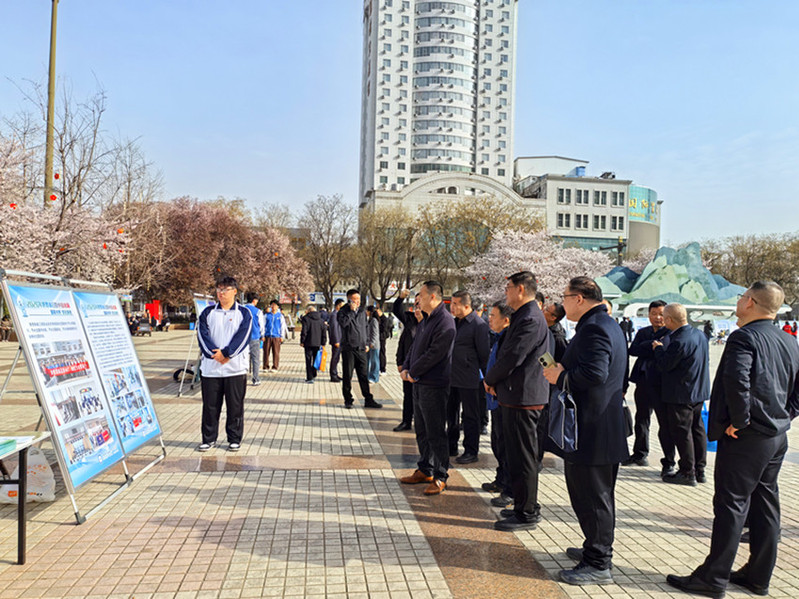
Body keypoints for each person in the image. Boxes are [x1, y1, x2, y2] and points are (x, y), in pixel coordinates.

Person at [667, 281, 799, 598]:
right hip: (776, 436)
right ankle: (758, 575)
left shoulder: (744, 337)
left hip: (748, 437)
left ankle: (713, 578)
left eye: (741, 297)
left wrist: (740, 421)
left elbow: (736, 378)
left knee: (731, 505)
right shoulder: (788, 340)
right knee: (766, 504)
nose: (738, 302)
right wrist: (784, 417)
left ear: (751, 302)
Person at [543, 276, 628, 586]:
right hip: (597, 426)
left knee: (594, 497)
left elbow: (595, 373)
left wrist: (559, 376)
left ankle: (599, 561)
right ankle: (593, 547)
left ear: (579, 298)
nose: (561, 303)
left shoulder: (595, 328)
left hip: (594, 428)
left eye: (564, 297)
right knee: (591, 494)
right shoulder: (606, 324)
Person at [484, 271, 550, 531]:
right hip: (515, 395)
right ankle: (521, 505)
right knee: (517, 456)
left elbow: (513, 356)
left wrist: (490, 379)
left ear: (521, 289)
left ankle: (527, 512)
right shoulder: (524, 316)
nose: (506, 292)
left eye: (508, 287)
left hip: (524, 397)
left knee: (524, 458)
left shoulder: (530, 318)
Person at [399, 280, 456, 495]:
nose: (417, 299)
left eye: (421, 295)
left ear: (433, 296)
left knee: (435, 432)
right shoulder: (425, 320)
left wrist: (413, 372)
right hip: (419, 383)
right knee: (421, 430)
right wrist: (406, 367)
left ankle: (441, 475)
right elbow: (415, 347)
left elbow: (435, 353)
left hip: (434, 384)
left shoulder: (445, 321)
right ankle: (426, 468)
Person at [653, 303, 710, 486]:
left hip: (681, 393)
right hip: (698, 391)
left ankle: (687, 472)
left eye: (664, 317)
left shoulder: (678, 340)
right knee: (697, 429)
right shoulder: (699, 335)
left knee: (682, 432)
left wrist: (658, 349)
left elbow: (665, 365)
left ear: (669, 319)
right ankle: (700, 469)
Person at [196, 276, 252, 452]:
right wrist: (215, 354)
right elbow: (202, 336)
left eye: (225, 289)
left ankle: (234, 438)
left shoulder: (243, 313)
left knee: (235, 406)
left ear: (235, 291)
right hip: (211, 369)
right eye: (219, 289)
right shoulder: (208, 312)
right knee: (210, 406)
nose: (221, 293)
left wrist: (227, 354)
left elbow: (243, 337)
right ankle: (208, 438)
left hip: (235, 368)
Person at [624, 300, 676, 475]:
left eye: (661, 314)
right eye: (654, 314)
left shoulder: (671, 333)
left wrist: (651, 348)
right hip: (643, 381)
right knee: (642, 419)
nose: (657, 317)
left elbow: (666, 352)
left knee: (665, 422)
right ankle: (640, 453)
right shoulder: (643, 332)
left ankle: (669, 460)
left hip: (661, 384)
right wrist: (652, 346)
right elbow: (633, 350)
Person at [448, 290, 490, 464]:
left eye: (455, 304)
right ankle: (451, 445)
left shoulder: (478, 325)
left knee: (470, 416)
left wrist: (487, 379)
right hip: (451, 376)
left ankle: (471, 450)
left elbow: (484, 355)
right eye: (451, 303)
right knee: (451, 413)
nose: (452, 307)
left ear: (466, 305)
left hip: (469, 378)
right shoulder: (454, 323)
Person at [481, 301, 513, 507]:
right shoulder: (498, 337)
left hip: (504, 397)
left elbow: (506, 365)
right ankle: (501, 480)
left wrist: (493, 382)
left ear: (506, 320)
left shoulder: (510, 339)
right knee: (498, 442)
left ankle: (509, 486)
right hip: (495, 396)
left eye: (493, 316)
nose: (489, 319)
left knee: (506, 445)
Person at [338, 289, 382, 409]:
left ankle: (368, 399)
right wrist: (351, 312)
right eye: (354, 300)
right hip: (349, 349)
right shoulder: (342, 312)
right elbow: (343, 324)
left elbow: (365, 328)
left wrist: (367, 343)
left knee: (363, 375)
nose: (357, 302)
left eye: (358, 299)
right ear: (348, 300)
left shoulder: (362, 312)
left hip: (362, 349)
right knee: (348, 376)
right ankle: (348, 399)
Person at [392, 290, 422, 432]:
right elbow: (396, 310)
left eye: (420, 303)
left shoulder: (431, 322)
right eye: (415, 304)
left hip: (423, 366)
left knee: (421, 397)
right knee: (408, 395)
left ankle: (420, 422)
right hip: (408, 365)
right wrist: (400, 362)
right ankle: (406, 421)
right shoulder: (410, 319)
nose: (417, 307)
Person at [300, 305, 327, 383]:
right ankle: (314, 374)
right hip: (318, 343)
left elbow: (304, 331)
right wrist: (323, 342)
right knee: (316, 359)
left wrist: (302, 341)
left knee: (308, 360)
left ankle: (309, 377)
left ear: (308, 311)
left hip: (308, 343)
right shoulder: (321, 320)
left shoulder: (306, 319)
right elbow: (324, 332)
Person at [243, 293, 263, 386]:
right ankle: (255, 379)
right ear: (254, 300)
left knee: (242, 358)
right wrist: (262, 335)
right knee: (255, 359)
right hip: (254, 337)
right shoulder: (258, 311)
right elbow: (261, 325)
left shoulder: (241, 309)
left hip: (242, 338)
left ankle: (241, 378)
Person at [263, 300, 286, 371]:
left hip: (276, 336)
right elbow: (263, 325)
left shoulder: (280, 316)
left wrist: (282, 336)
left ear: (278, 307)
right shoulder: (266, 315)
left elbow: (283, 326)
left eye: (275, 305)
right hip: (267, 336)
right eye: (272, 305)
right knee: (266, 352)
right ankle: (266, 366)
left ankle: (275, 366)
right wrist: (262, 335)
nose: (273, 307)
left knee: (276, 352)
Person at [328, 299, 344, 382]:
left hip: (340, 339)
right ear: (338, 305)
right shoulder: (334, 315)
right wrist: (336, 340)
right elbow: (334, 328)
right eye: (342, 305)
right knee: (334, 358)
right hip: (336, 340)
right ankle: (333, 375)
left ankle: (335, 374)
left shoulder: (338, 314)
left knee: (337, 358)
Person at [366, 305, 381, 383]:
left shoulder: (374, 320)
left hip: (374, 345)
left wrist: (372, 343)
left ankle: (374, 377)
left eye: (367, 311)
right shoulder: (370, 320)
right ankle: (369, 376)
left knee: (375, 362)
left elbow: (375, 333)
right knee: (369, 361)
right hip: (369, 345)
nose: (366, 312)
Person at [378, 306, 391, 373]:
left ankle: (383, 368)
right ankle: (379, 367)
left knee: (382, 353)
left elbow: (384, 329)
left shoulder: (384, 319)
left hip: (382, 338)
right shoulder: (379, 318)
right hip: (379, 337)